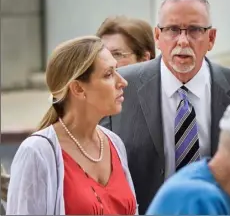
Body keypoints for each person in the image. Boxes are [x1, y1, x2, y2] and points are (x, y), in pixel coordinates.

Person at [101, 0, 230, 213]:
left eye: (195, 30)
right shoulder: (120, 89)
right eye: (172, 30)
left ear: (211, 38)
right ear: (157, 37)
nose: (183, 40)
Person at [6, 36, 138, 215]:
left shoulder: (114, 142)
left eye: (117, 70)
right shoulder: (36, 153)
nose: (122, 82)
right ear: (78, 89)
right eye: (108, 74)